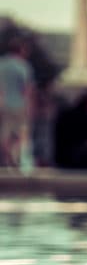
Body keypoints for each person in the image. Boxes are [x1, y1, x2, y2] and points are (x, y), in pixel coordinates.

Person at [0, 37, 34, 167]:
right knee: (20, 134)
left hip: (3, 105)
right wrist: (30, 109)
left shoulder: (1, 64)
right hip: (19, 105)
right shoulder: (23, 66)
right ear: (21, 50)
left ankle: (5, 158)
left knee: (5, 133)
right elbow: (27, 91)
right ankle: (14, 158)